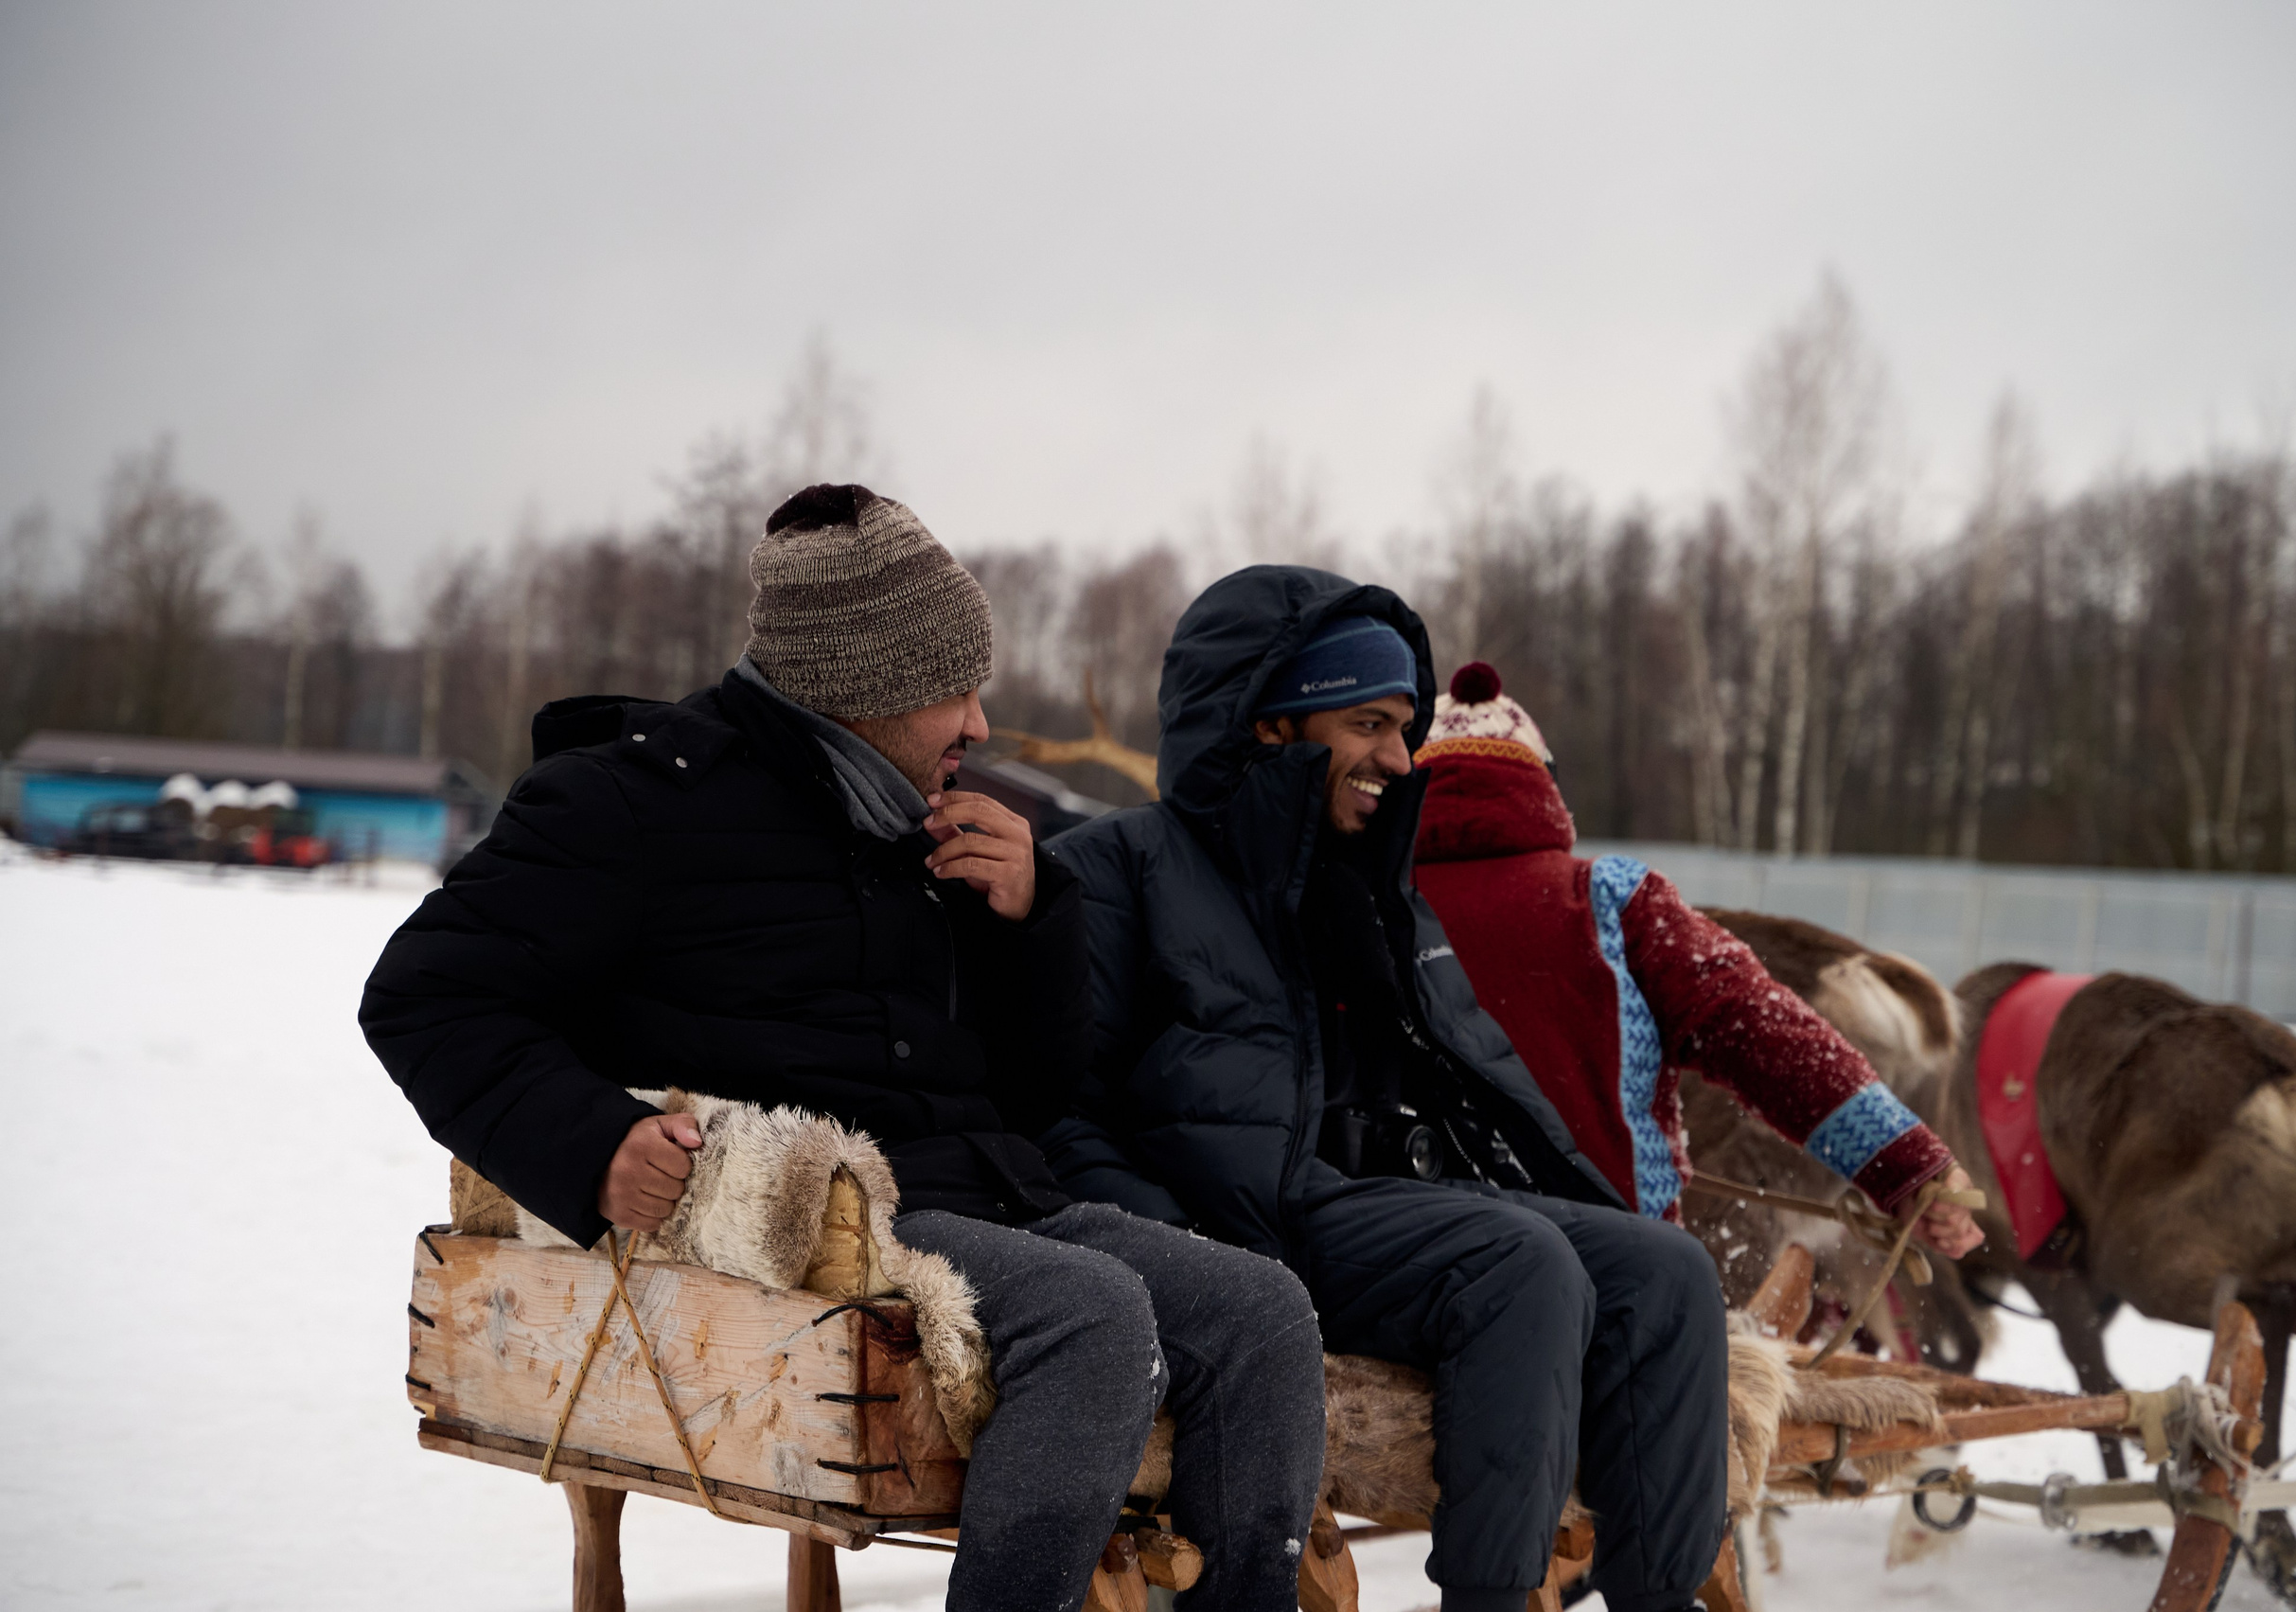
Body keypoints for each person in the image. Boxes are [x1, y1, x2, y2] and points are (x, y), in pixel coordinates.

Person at [360, 486, 1324, 1612]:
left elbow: (1032, 1093)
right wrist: (593, 1142)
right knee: (1089, 1312)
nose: (978, 724)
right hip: (807, 1223)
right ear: (860, 685)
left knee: (1261, 1310)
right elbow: (425, 995)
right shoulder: (630, 801)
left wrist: (1028, 921)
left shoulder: (927, 818)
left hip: (982, 1197)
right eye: (953, 690)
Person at [1044, 567, 1977, 1612]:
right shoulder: (1116, 870)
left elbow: (1474, 1074)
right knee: (1518, 1263)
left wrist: (1575, 1199)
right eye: (1369, 724)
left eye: (1406, 729)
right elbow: (1055, 1108)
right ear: (1269, 723)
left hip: (1367, 1204)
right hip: (1240, 1224)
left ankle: (1658, 1597)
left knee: (1664, 1268)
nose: (1401, 759)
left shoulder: (1368, 882)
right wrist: (1184, 1251)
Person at [1412, 660, 1987, 1250]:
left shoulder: (1371, 906)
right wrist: (1906, 1163)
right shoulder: (1614, 902)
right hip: (1615, 1264)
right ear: (1543, 788)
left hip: (1416, 1257)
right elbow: (1764, 1032)